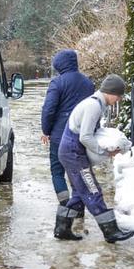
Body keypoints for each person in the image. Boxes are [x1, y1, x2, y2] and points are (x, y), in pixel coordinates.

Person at [54, 74, 134, 243]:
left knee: (79, 192)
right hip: (73, 152)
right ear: (111, 92)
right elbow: (85, 137)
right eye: (119, 95)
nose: (119, 99)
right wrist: (105, 152)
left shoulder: (95, 103)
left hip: (70, 151)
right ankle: (111, 232)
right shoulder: (94, 106)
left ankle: (62, 229)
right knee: (92, 190)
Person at [41, 49, 94, 205]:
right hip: (82, 135)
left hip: (59, 135)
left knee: (57, 172)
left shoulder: (58, 82)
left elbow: (48, 109)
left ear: (59, 65)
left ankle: (65, 205)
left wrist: (46, 130)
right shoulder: (88, 83)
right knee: (79, 172)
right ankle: (78, 206)